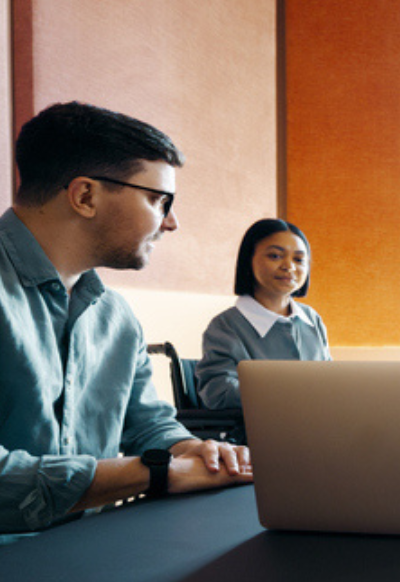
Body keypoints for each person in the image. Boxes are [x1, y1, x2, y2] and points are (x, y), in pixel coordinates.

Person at [0, 101, 252, 537]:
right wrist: (157, 473)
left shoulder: (116, 316)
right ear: (85, 196)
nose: (171, 222)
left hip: (83, 551)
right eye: (158, 199)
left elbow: (148, 423)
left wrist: (198, 451)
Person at [196, 218, 331, 410]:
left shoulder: (311, 319)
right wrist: (287, 393)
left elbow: (330, 382)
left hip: (319, 427)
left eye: (299, 259)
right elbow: (218, 394)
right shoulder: (225, 326)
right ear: (248, 259)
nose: (289, 266)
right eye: (275, 256)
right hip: (257, 434)